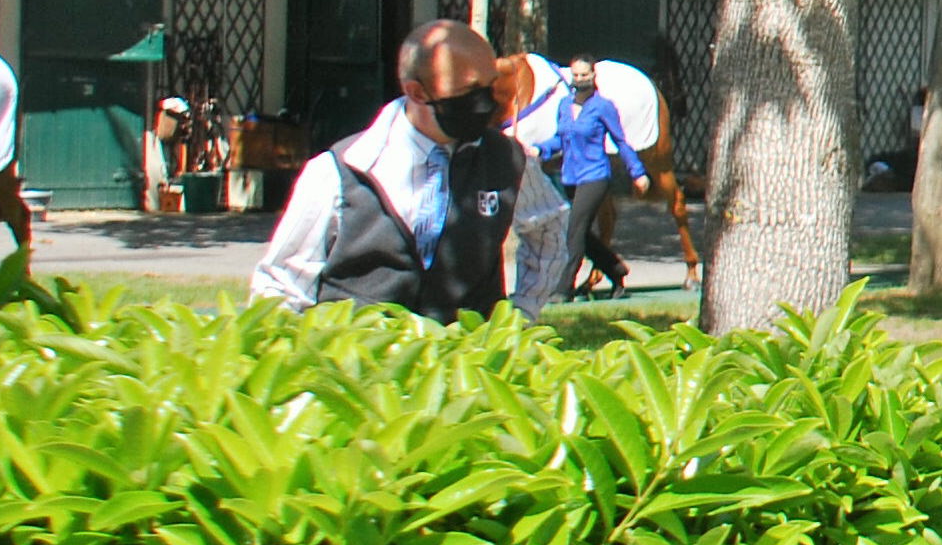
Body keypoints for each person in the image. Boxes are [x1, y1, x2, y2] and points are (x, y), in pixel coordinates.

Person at [249, 19, 565, 320]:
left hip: (461, 362)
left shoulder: (510, 159)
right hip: (358, 361)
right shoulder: (338, 171)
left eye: (490, 86)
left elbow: (549, 228)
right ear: (416, 92)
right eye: (469, 91)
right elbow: (281, 284)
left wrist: (522, 314)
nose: (486, 102)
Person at [549, 56, 651, 301]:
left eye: (585, 75)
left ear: (594, 75)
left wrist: (637, 172)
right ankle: (615, 269)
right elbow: (558, 140)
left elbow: (621, 141)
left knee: (573, 230)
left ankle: (563, 289)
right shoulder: (564, 105)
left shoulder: (602, 106)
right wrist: (537, 149)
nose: (580, 80)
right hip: (570, 176)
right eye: (576, 75)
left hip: (594, 175)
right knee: (581, 232)